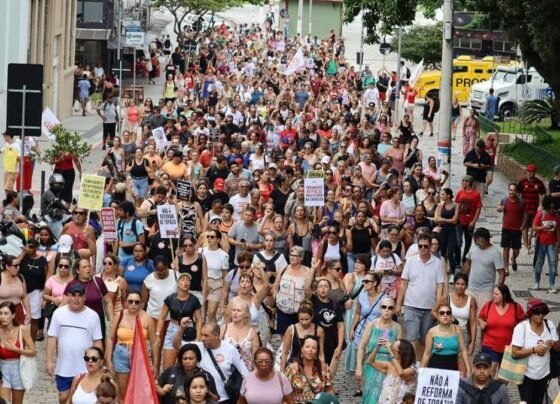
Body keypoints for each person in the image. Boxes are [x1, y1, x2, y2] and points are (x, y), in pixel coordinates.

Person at [46, 283, 103, 404]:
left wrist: (99, 362)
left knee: (81, 399)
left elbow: (97, 341)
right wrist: (49, 360)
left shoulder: (93, 316)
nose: (76, 298)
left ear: (84, 297)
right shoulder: (58, 313)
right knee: (63, 397)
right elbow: (52, 338)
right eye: (73, 295)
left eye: (80, 295)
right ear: (68, 296)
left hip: (85, 366)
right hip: (64, 366)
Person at [172, 322, 250, 404]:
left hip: (226, 399)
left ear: (216, 335)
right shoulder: (198, 347)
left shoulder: (230, 349)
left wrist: (241, 398)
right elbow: (176, 345)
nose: (202, 338)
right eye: (201, 335)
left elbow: (245, 374)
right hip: (206, 400)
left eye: (206, 335)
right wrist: (181, 328)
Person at [396, 234, 445, 361]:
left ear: (430, 247)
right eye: (420, 246)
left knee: (424, 338)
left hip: (429, 308)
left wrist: (437, 306)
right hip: (411, 305)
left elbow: (440, 286)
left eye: (426, 246)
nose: (423, 248)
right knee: (412, 337)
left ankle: (421, 363)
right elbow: (404, 283)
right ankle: (412, 364)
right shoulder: (411, 261)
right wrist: (398, 303)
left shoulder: (438, 263)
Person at [105, 290, 158, 401]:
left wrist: (155, 364)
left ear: (141, 303)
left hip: (140, 355)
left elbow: (154, 342)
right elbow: (110, 339)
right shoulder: (119, 315)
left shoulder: (147, 318)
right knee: (123, 390)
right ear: (126, 303)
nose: (133, 304)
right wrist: (109, 361)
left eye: (136, 302)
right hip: (121, 353)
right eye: (130, 301)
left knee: (139, 389)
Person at [512, 297, 559, 403]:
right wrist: (534, 350)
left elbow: (557, 348)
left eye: (543, 312)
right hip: (525, 374)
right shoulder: (521, 328)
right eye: (537, 312)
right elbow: (514, 353)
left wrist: (554, 343)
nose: (541, 315)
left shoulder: (549, 325)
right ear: (530, 313)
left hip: (544, 374)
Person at [356, 297, 401, 403]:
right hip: (372, 363)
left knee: (385, 396)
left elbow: (401, 351)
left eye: (390, 308)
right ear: (380, 309)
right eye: (384, 307)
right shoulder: (372, 324)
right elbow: (362, 346)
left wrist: (391, 347)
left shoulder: (397, 328)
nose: (386, 310)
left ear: (393, 310)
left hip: (388, 365)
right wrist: (359, 366)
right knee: (370, 395)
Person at [157, 272, 202, 370]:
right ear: (177, 284)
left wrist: (198, 338)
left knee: (187, 365)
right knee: (168, 367)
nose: (185, 282)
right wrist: (157, 334)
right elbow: (162, 317)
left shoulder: (194, 300)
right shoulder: (170, 298)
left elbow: (199, 320)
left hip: (187, 330)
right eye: (183, 280)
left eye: (188, 280)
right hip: (173, 328)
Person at [478, 284, 525, 377]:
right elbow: (480, 317)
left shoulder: (516, 307)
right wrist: (481, 322)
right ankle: (488, 390)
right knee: (490, 371)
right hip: (490, 344)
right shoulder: (489, 305)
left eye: (496, 294)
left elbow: (523, 323)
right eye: (493, 293)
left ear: (504, 295)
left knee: (505, 376)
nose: (493, 296)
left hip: (508, 347)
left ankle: (500, 391)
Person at [63, 258, 113, 338]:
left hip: (98, 323)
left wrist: (111, 320)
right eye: (84, 267)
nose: (88, 269)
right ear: (78, 270)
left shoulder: (98, 281)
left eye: (89, 266)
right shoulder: (71, 284)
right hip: (78, 323)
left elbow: (108, 302)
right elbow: (63, 305)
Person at [0, 302, 36, 404]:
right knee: (4, 402)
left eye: (6, 313)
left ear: (13, 315)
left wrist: (15, 349)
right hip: (3, 372)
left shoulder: (22, 329)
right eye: (0, 313)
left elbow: (33, 351)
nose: (2, 317)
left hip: (19, 370)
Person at [432, 273, 477, 355]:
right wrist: (443, 320)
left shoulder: (471, 301)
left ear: (466, 286)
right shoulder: (446, 297)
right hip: (447, 331)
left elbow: (473, 323)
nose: (460, 286)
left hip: (463, 333)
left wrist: (473, 342)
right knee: (446, 355)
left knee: (461, 359)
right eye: (458, 284)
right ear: (454, 285)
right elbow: (434, 311)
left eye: (463, 284)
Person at [421, 303, 471, 374]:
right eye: (442, 313)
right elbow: (427, 353)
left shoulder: (457, 329)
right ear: (438, 316)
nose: (445, 315)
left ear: (451, 316)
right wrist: (421, 371)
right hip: (435, 367)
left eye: (448, 313)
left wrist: (468, 369)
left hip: (452, 366)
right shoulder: (432, 331)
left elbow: (463, 350)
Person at [463, 227, 505, 312]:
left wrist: (498, 287)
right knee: (466, 313)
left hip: (486, 291)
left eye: (477, 238)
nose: (475, 240)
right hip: (471, 289)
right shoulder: (473, 248)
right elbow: (468, 262)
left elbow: (501, 273)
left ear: (484, 239)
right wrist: (463, 277)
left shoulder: (495, 253)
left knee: (482, 316)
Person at [285, 335, 335, 403]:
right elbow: (285, 392)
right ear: (302, 349)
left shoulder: (324, 368)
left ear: (317, 351)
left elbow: (330, 390)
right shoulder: (292, 368)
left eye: (314, 348)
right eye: (307, 347)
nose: (310, 350)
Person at [16, 238, 47, 341]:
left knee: (35, 319)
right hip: (21, 291)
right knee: (20, 317)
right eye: (27, 246)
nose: (29, 249)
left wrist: (44, 295)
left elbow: (46, 277)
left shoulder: (42, 261)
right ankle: (19, 340)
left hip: (36, 292)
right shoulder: (23, 258)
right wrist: (23, 252)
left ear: (36, 247)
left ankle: (32, 342)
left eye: (32, 247)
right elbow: (14, 264)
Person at [371, 339, 417, 404]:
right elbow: (371, 361)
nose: (392, 348)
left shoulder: (412, 369)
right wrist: (377, 347)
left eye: (394, 347)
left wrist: (391, 353)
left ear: (401, 351)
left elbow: (401, 373)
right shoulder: (390, 366)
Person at [220, 297, 261, 371]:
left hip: (246, 371)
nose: (235, 313)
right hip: (226, 369)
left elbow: (256, 357)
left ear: (246, 314)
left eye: (238, 311)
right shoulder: (224, 328)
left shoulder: (252, 333)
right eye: (233, 310)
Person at [532, 195, 560, 292]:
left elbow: (558, 230)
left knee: (552, 263)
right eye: (550, 208)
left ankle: (552, 285)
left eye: (553, 208)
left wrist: (558, 243)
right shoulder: (541, 214)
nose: (552, 210)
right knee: (539, 263)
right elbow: (534, 227)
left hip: (552, 243)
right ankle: (536, 282)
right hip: (541, 243)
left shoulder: (556, 217)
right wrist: (543, 228)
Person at [497, 183, 525, 276]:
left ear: (516, 192)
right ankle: (506, 268)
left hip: (517, 229)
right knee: (506, 248)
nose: (512, 192)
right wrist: (499, 209)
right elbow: (499, 208)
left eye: (514, 190)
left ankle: (513, 258)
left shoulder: (521, 202)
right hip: (506, 228)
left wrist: (523, 225)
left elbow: (525, 215)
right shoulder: (504, 200)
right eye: (510, 190)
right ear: (508, 190)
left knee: (516, 250)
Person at [518, 163, 546, 255]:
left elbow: (543, 194)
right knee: (525, 227)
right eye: (528, 171)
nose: (530, 173)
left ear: (535, 172)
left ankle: (530, 241)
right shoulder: (522, 182)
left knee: (534, 228)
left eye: (532, 172)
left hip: (535, 209)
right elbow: (517, 193)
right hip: (524, 210)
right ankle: (526, 246)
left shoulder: (539, 183)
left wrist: (541, 205)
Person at [455, 175, 482, 265]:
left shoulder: (476, 194)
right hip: (459, 221)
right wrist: (456, 217)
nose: (462, 182)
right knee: (458, 241)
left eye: (464, 181)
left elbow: (478, 208)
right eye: (462, 180)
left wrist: (473, 221)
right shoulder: (460, 192)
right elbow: (457, 205)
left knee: (468, 241)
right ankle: (457, 260)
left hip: (470, 222)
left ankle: (464, 259)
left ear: (469, 183)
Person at [0, 255, 31, 326]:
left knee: (18, 335)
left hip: (18, 311)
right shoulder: (0, 278)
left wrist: (28, 313)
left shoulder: (20, 277)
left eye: (19, 265)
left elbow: (24, 297)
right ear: (7, 266)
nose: (18, 268)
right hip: (2, 313)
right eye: (15, 266)